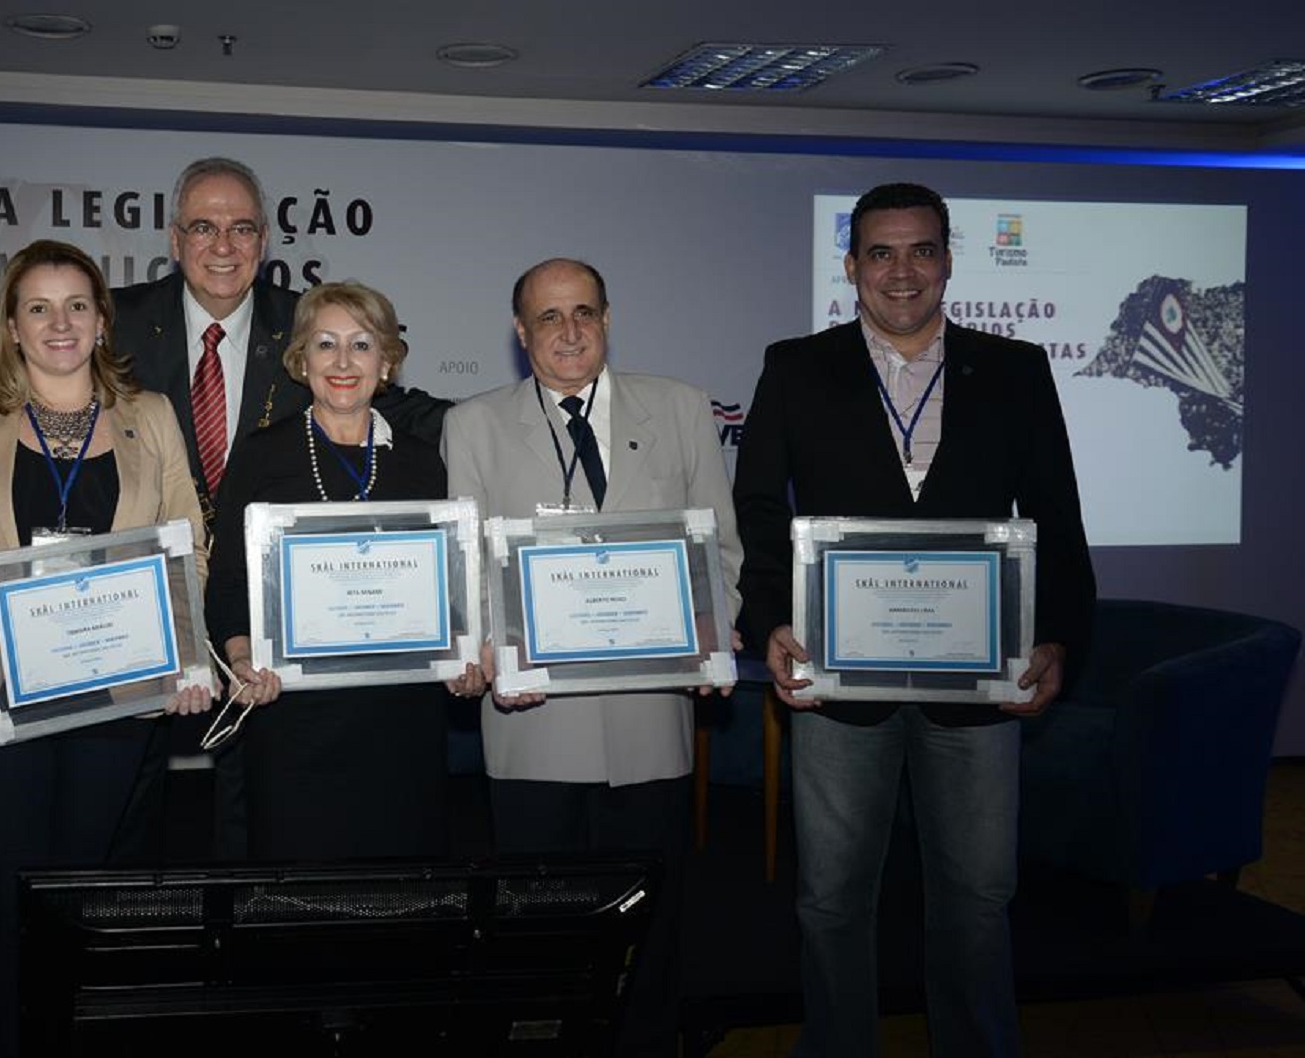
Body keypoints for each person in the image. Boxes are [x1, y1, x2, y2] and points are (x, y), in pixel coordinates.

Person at [732, 181, 1096, 1058]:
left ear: (948, 260)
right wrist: (772, 619)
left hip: (978, 683)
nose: (903, 271)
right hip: (837, 680)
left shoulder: (1015, 369)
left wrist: (1056, 638)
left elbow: (1055, 514)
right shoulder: (796, 366)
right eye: (882, 252)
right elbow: (758, 509)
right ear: (852, 264)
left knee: (978, 897)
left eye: (922, 250)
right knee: (831, 900)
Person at [440, 256, 741, 1057]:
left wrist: (713, 628)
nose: (568, 330)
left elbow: (720, 549)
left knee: (653, 921)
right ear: (521, 331)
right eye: (548, 316)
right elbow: (466, 566)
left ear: (608, 319)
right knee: (540, 923)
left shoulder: (679, 407)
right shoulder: (472, 423)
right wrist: (489, 648)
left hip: (650, 721)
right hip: (532, 723)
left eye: (584, 312)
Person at [110, 155, 450, 857]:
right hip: (153, 593)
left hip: (278, 634)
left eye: (241, 228)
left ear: (264, 240)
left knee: (261, 812)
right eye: (203, 227)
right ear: (174, 238)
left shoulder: (302, 317)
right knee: (124, 804)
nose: (223, 245)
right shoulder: (115, 322)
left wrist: (508, 417)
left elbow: (393, 402)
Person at [0, 238, 212, 1058]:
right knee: (9, 890)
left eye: (77, 305)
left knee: (81, 890)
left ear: (101, 320)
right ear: (12, 326)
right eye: (40, 307)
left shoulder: (151, 414)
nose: (61, 323)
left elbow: (189, 545)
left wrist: (187, 653)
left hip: (113, 694)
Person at [203, 280, 484, 860]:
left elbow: (450, 590)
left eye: (361, 345)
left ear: (387, 361)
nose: (342, 362)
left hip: (401, 724)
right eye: (325, 344)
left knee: (401, 887)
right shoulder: (261, 454)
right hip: (293, 721)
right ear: (301, 359)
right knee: (298, 886)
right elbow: (227, 581)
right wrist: (241, 657)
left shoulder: (421, 463)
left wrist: (463, 656)